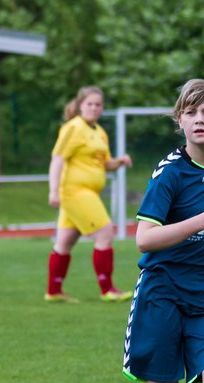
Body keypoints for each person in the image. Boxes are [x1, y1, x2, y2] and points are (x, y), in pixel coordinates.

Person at [123, 78, 204, 383]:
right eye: (192, 112)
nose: (201, 119)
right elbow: (144, 239)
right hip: (163, 295)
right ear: (180, 120)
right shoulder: (170, 171)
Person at [45, 86, 133, 302]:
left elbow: (105, 164)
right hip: (75, 192)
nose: (94, 108)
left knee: (64, 242)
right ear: (80, 105)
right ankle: (108, 289)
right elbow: (57, 159)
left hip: (87, 191)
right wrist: (53, 191)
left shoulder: (99, 132)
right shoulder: (72, 128)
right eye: (89, 104)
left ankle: (54, 292)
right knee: (105, 234)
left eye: (98, 104)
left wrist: (120, 161)